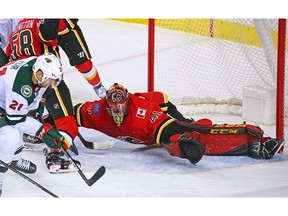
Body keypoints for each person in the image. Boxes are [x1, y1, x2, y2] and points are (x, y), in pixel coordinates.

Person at [73, 83, 284, 164]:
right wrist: (49, 123)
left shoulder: (141, 114)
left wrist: (180, 145)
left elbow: (169, 132)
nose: (117, 112)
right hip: (153, 105)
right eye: (113, 108)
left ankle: (256, 142)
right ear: (107, 104)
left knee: (193, 132)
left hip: (162, 107)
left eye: (121, 107)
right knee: (188, 131)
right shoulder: (97, 111)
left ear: (128, 103)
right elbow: (71, 112)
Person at [5, 18, 106, 172]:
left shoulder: (19, 26)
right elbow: (80, 59)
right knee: (67, 122)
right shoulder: (48, 20)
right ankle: (56, 154)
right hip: (46, 78)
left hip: (18, 82)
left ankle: (29, 134)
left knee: (19, 115)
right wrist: (98, 87)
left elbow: (7, 58)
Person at [0, 53, 68, 196]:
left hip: (7, 99)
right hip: (3, 103)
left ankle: (15, 159)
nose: (52, 83)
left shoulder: (36, 67)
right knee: (10, 137)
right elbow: (16, 119)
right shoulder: (20, 85)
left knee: (21, 125)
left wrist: (36, 110)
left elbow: (36, 95)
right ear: (39, 74)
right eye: (51, 79)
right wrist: (43, 131)